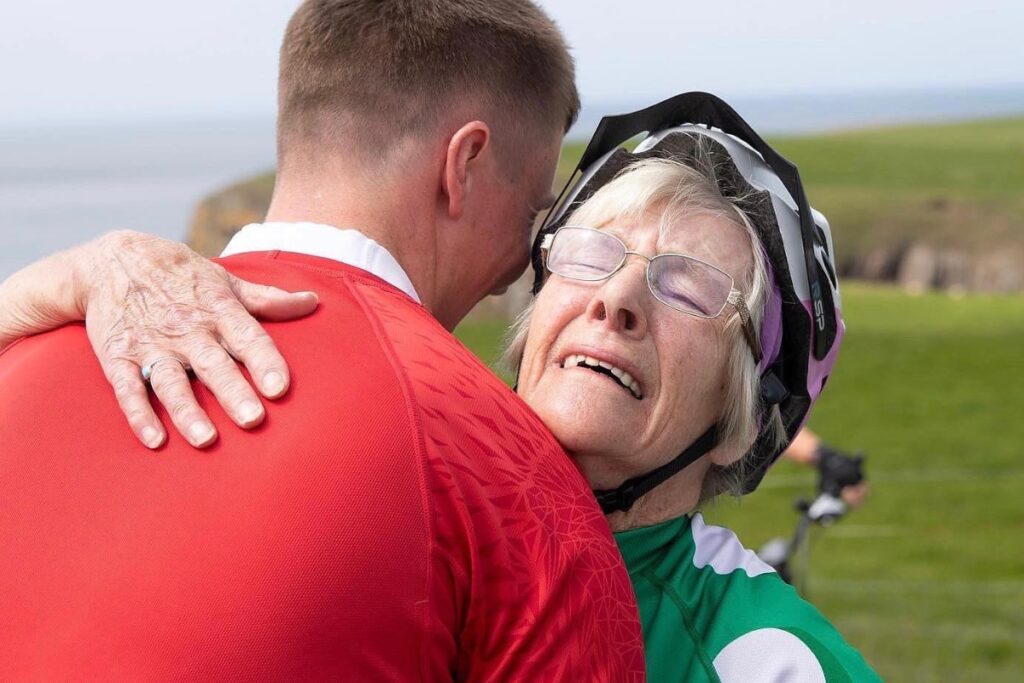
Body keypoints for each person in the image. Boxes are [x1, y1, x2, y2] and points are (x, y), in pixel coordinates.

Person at [2, 93, 883, 680]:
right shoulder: (389, 464)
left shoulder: (764, 658)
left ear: (742, 425)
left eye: (689, 285)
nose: (617, 298)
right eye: (594, 252)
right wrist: (41, 296)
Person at [0, 1, 646, 680]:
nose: (520, 262)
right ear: (465, 164)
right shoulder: (516, 479)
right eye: (529, 213)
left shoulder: (28, 352)